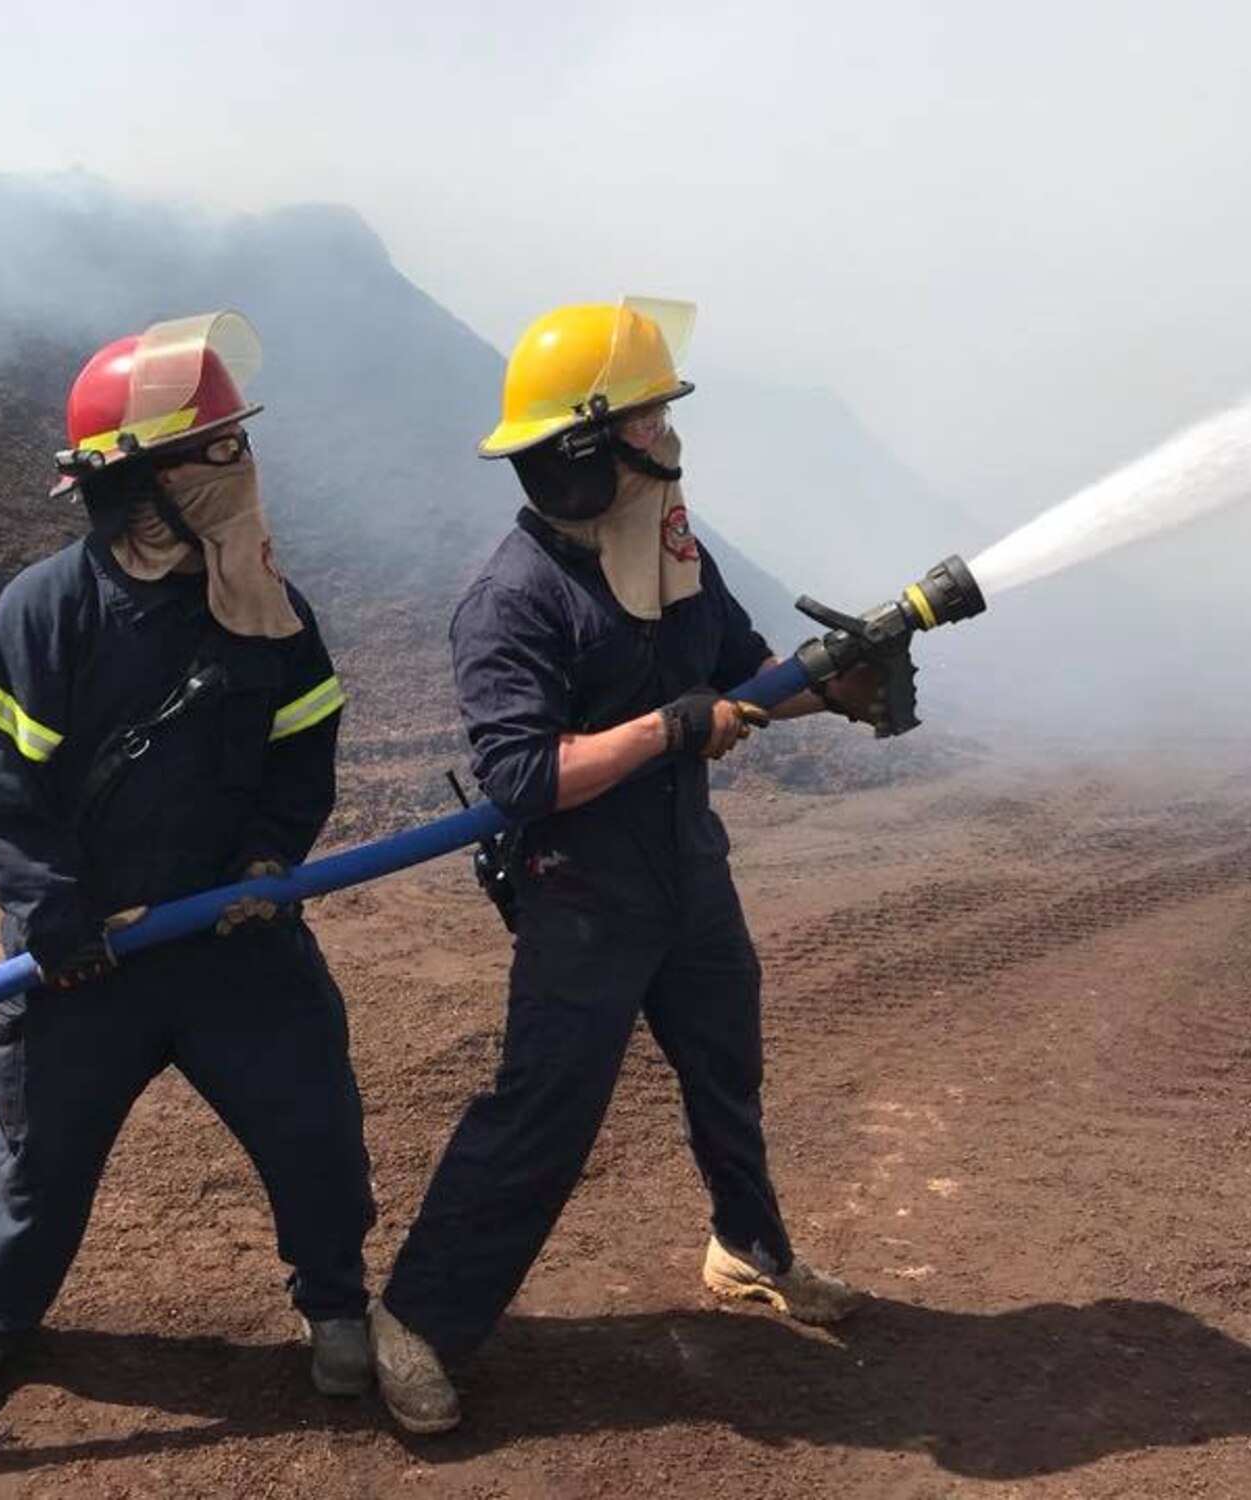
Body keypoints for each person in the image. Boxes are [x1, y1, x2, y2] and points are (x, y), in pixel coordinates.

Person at [369, 299, 884, 1433]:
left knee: (725, 1070)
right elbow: (519, 775)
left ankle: (747, 1252)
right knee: (543, 1113)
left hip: (685, 872)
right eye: (648, 416)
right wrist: (667, 728)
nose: (669, 434)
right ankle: (415, 1321)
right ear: (586, 450)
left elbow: (744, 674)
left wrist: (838, 684)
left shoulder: (665, 546)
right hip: (580, 895)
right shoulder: (513, 599)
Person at [0, 313, 375, 1419]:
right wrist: (50, 917)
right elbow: (1, 788)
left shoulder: (268, 609)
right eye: (217, 450)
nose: (244, 469)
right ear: (145, 480)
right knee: (40, 1159)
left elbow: (302, 749)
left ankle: (336, 1303)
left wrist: (271, 858)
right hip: (86, 959)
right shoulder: (47, 609)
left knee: (312, 1125)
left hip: (234, 940)